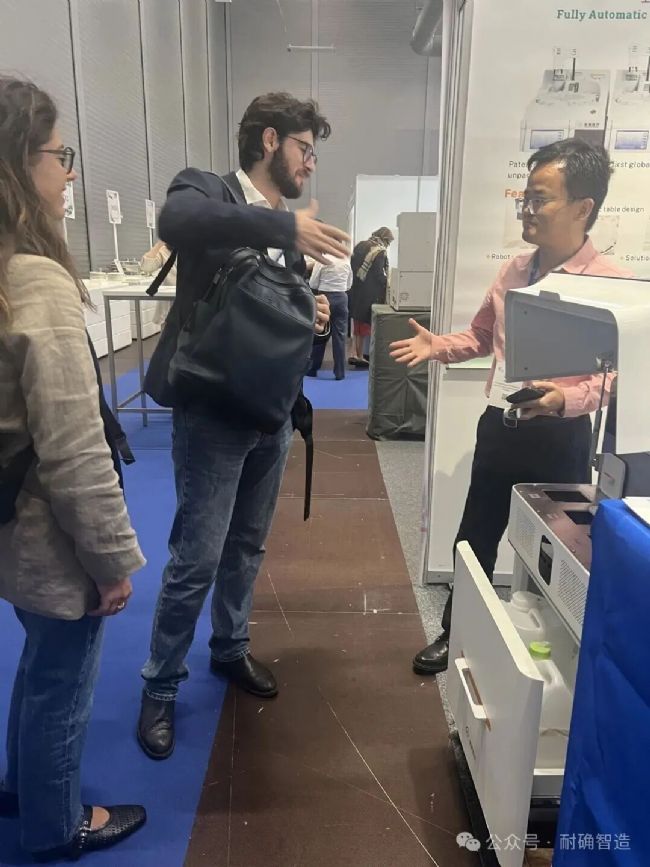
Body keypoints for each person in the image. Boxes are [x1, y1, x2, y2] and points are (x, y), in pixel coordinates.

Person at [137, 92, 349, 760]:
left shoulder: (291, 231)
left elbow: (276, 321)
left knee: (248, 546)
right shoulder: (209, 190)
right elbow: (177, 219)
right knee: (196, 556)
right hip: (211, 417)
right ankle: (160, 683)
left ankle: (229, 647)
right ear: (269, 140)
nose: (310, 163)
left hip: (270, 415)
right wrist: (284, 230)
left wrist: (311, 315)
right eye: (304, 148)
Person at [390, 138, 632, 676]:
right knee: (474, 534)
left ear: (583, 207)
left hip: (563, 437)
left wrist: (566, 398)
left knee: (556, 551)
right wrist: (439, 346)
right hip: (501, 425)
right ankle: (454, 633)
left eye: (539, 199)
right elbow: (480, 336)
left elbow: (619, 375)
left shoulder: (612, 286)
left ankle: (551, 649)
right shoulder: (513, 272)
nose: (526, 209)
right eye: (525, 197)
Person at [0, 77, 146, 860]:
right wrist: (109, 559)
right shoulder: (34, 279)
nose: (69, 173)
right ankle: (55, 825)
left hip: (11, 522)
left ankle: (22, 787)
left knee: (40, 659)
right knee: (62, 675)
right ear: (21, 164)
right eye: (60, 156)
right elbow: (74, 445)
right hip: (47, 529)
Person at [349, 227, 394, 368]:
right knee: (364, 324)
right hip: (369, 292)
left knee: (357, 323)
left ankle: (354, 353)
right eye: (389, 242)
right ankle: (360, 356)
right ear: (385, 239)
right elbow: (378, 274)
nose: (388, 245)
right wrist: (389, 284)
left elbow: (353, 266)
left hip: (356, 289)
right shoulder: (379, 252)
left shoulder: (360, 245)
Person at [307, 253, 352, 380]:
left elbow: (313, 283)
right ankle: (340, 373)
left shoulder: (322, 260)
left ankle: (313, 369)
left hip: (325, 297)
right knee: (340, 336)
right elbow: (349, 284)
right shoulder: (345, 261)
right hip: (342, 298)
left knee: (321, 333)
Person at [140, 239, 176, 326]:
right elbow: (146, 267)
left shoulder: (199, 250)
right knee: (168, 333)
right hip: (169, 307)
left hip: (194, 305)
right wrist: (160, 242)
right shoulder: (165, 251)